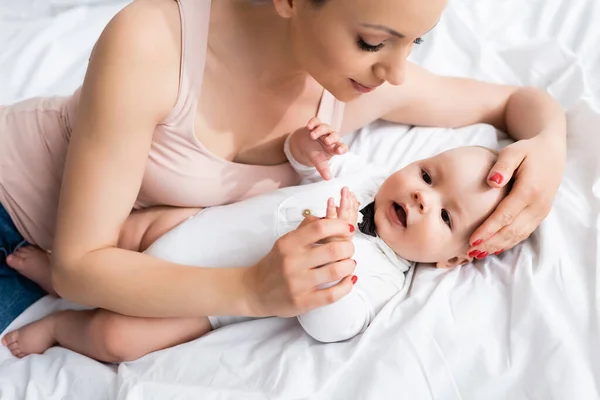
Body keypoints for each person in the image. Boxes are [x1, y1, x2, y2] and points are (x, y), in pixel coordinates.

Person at [0, 0, 566, 334]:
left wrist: (548, 146)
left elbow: (515, 101)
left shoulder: (357, 86)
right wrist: (249, 290)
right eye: (374, 41)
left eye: (415, 41)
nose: (396, 72)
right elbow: (78, 268)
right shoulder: (152, 43)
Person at [2, 118, 510, 361]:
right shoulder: (367, 180)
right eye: (426, 175)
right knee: (119, 234)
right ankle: (63, 276)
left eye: (445, 216)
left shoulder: (380, 279)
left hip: (209, 298)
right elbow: (309, 171)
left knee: (117, 338)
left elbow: (331, 325)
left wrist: (333, 252)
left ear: (450, 261)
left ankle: (63, 327)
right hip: (194, 225)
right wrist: (303, 147)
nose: (423, 198)